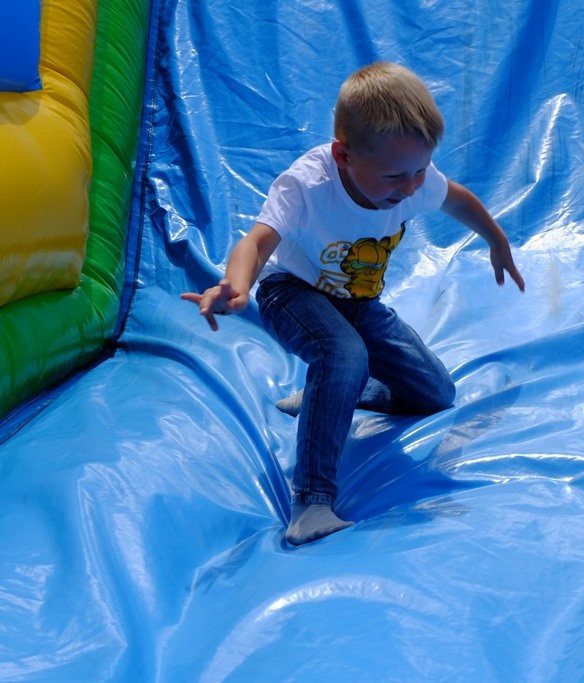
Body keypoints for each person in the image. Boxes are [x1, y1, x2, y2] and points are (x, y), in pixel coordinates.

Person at [181, 62, 525, 546]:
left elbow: (457, 199)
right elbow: (257, 240)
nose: (411, 187)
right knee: (344, 353)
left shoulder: (412, 177)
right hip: (291, 292)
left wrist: (495, 239)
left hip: (358, 302)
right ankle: (312, 502)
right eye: (395, 176)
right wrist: (235, 285)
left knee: (435, 393)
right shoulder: (307, 185)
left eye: (420, 171)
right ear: (342, 155)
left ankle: (328, 393)